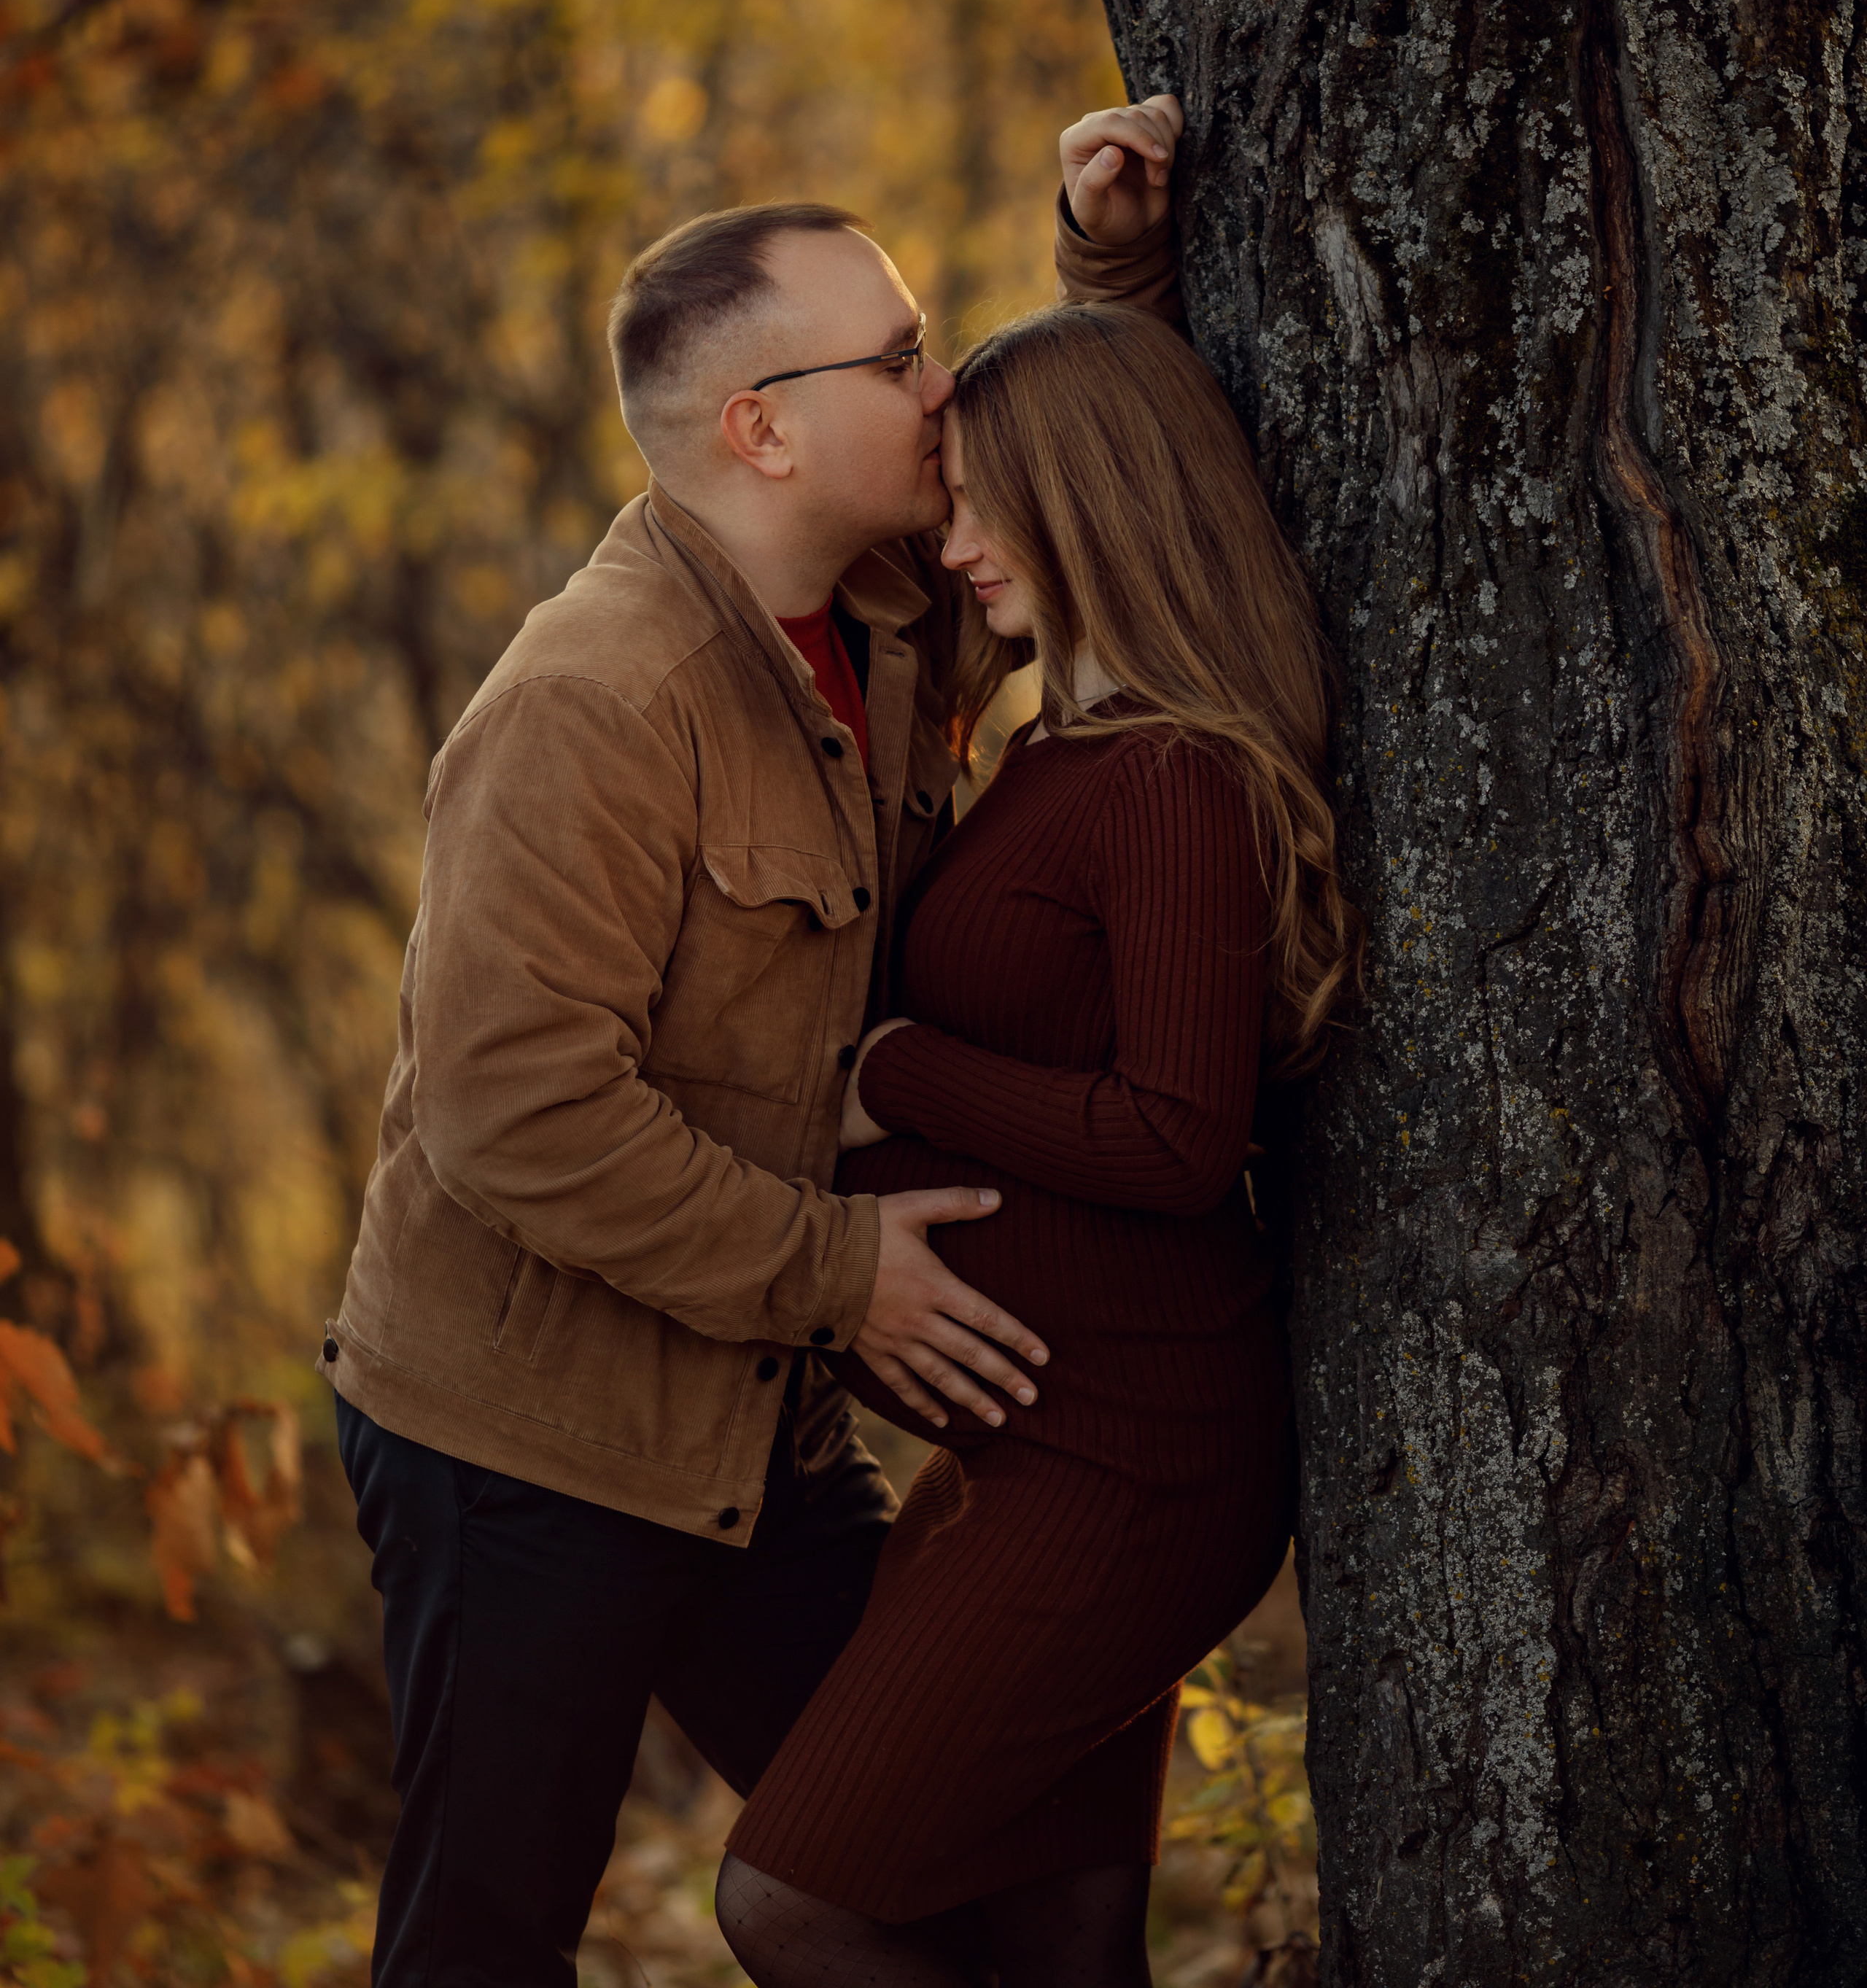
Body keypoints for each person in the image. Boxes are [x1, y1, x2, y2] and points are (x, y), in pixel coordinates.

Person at [316, 96, 1186, 1988]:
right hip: (520, 1441)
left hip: (755, 1426)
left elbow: (1101, 497)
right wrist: (837, 1275)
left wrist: (1110, 264)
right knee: (484, 1941)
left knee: (944, 1855)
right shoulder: (590, 700)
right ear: (759, 427)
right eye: (895, 355)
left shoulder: (884, 622)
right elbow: (509, 1112)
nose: (937, 379)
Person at [717, 173, 1358, 1985]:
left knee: (788, 1901)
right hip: (1039, 1435)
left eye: (992, 506)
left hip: (1134, 1454)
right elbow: (1099, 410)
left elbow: (1172, 1137)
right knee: (1061, 1947)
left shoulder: (1165, 777)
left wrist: (899, 1071)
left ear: (1085, 511)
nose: (957, 538)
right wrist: (1113, 271)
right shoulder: (1061, 727)